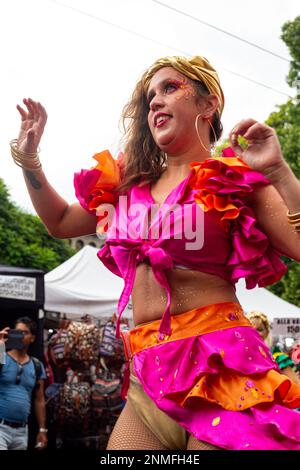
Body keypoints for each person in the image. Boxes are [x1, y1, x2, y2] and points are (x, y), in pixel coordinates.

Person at [11, 55, 300, 450]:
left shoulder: (233, 179)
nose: (155, 103)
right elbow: (59, 221)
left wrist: (279, 172)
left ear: (208, 103)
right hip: (150, 372)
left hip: (223, 369)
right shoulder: (128, 187)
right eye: (150, 97)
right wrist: (30, 160)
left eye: (170, 88)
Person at [0, 317, 48, 450]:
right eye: (17, 332)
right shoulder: (2, 357)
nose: (20, 336)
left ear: (32, 338)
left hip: (21, 431)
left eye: (24, 333)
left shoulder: (36, 365)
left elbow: (39, 400)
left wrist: (43, 430)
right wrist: (0, 345)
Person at [247, 311, 300, 386]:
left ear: (267, 332)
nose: (256, 333)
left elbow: (296, 385)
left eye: (260, 329)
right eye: (252, 329)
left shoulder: (277, 357)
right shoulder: (239, 356)